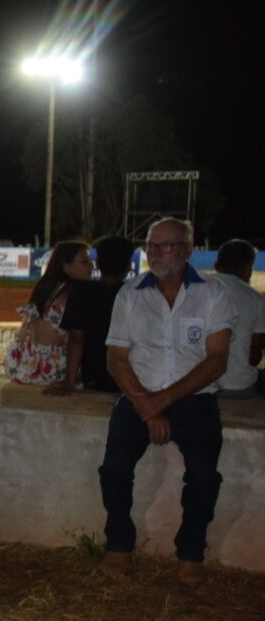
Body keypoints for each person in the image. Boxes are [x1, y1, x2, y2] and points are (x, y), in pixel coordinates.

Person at [98, 218, 234, 589]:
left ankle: (191, 554)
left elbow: (216, 360)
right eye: (151, 246)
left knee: (204, 477)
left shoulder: (213, 292)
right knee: (113, 470)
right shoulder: (130, 294)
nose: (156, 253)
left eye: (166, 246)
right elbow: (116, 359)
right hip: (138, 395)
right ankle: (119, 544)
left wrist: (161, 402)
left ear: (188, 250)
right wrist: (145, 403)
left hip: (195, 401)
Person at [44, 235, 134, 395]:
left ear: (98, 263)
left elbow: (76, 339)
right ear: (128, 267)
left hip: (92, 378)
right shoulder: (134, 294)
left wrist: (68, 383)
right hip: (127, 380)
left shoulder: (80, 291)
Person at [4, 240, 92, 385]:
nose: (91, 266)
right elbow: (77, 340)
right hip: (50, 370)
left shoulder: (45, 287)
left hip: (19, 363)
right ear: (66, 267)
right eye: (84, 262)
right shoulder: (75, 291)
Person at [211, 239, 264, 397]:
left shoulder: (193, 290)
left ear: (216, 265)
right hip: (238, 387)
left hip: (194, 388)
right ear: (248, 268)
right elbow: (254, 356)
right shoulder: (257, 300)